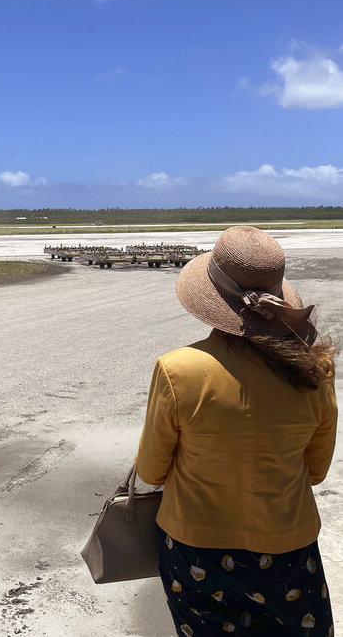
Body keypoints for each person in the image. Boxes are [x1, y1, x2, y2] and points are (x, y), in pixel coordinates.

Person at [136, 226, 337, 636]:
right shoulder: (316, 372)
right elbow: (315, 472)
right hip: (288, 546)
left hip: (196, 550)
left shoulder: (178, 369)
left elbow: (151, 471)